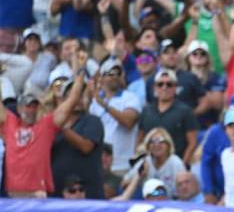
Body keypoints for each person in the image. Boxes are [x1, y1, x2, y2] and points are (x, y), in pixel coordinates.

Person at [1, 58, 85, 197]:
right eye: (28, 106)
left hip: (38, 195)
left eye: (34, 106)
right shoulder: (10, 123)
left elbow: (72, 100)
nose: (31, 110)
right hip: (13, 196)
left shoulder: (46, 126)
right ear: (19, 108)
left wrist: (81, 71)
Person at [51, 77, 105, 199]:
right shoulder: (51, 124)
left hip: (88, 194)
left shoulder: (92, 121)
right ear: (64, 101)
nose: (78, 100)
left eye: (81, 96)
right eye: (73, 97)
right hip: (57, 194)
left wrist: (62, 128)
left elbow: (86, 147)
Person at [89, 58, 141, 175]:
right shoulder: (94, 103)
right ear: (101, 78)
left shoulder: (130, 98)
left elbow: (128, 122)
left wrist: (104, 105)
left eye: (117, 73)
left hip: (123, 164)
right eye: (109, 73)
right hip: (100, 164)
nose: (114, 76)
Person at [137, 68, 199, 165]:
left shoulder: (185, 111)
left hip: (175, 166)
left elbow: (192, 143)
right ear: (155, 88)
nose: (164, 87)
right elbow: (139, 138)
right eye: (160, 84)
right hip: (149, 166)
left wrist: (181, 166)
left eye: (169, 84)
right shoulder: (146, 110)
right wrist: (139, 162)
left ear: (175, 88)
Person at [123, 127, 187, 198]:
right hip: (149, 203)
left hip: (170, 203)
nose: (156, 145)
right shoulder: (145, 161)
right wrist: (139, 176)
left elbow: (184, 189)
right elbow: (124, 184)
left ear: (168, 145)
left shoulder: (175, 162)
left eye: (161, 141)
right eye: (152, 142)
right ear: (148, 146)